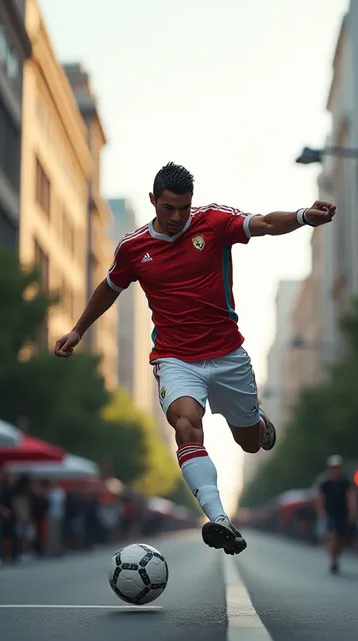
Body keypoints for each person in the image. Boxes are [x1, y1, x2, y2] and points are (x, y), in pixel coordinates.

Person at [54, 162, 336, 555]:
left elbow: (267, 224)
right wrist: (78, 330)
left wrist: (304, 216)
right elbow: (109, 287)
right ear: (154, 201)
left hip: (227, 355)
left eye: (184, 208)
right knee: (186, 425)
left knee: (251, 444)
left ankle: (255, 421)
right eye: (168, 208)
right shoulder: (134, 248)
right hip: (175, 358)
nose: (176, 217)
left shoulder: (214, 222)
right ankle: (219, 519)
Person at [316, 455, 357, 573]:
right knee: (333, 535)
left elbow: (351, 496)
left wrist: (352, 511)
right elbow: (320, 498)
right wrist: (321, 511)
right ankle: (333, 560)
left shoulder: (345, 481)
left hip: (342, 512)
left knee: (340, 537)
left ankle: (336, 557)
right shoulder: (325, 482)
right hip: (330, 513)